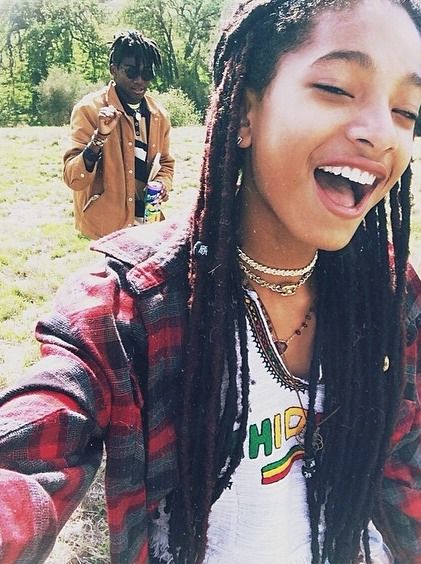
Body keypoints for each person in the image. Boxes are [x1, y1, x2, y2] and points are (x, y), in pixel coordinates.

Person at [1, 0, 421, 562]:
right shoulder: (130, 310)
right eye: (337, 88)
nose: (382, 133)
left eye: (406, 111)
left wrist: (158, 186)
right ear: (243, 111)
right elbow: (29, 454)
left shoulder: (390, 296)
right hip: (111, 220)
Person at [63, 29, 175, 240]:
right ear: (113, 70)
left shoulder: (159, 115)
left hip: (148, 224)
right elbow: (73, 178)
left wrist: (162, 184)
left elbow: (166, 164)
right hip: (105, 228)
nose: (140, 80)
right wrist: (99, 138)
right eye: (131, 72)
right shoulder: (89, 110)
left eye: (147, 73)